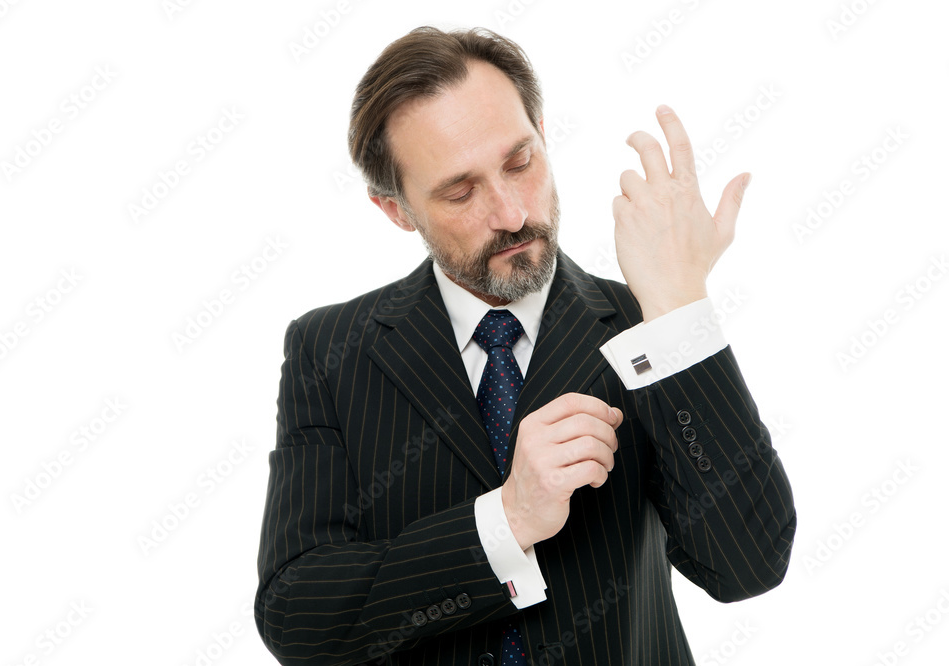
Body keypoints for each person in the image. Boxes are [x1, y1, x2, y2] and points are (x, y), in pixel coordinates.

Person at [255, 25, 796, 666]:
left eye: (520, 163)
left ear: (541, 130)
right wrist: (506, 522)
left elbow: (747, 565)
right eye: (460, 191)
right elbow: (298, 615)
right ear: (396, 210)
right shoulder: (328, 349)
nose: (512, 214)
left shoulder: (645, 326)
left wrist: (678, 308)